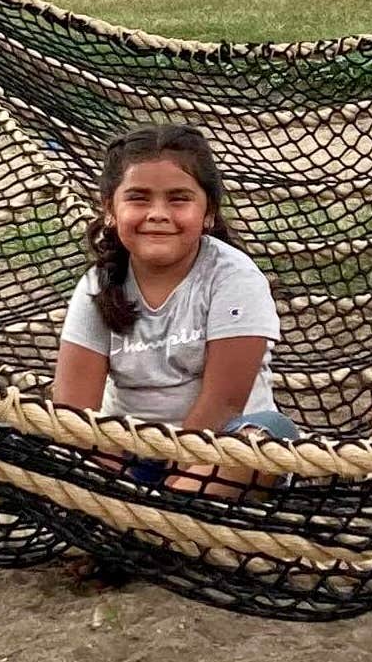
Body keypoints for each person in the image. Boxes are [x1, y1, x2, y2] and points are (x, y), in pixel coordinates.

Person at [53, 124, 299, 480]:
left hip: (216, 453)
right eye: (138, 198)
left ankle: (157, 512)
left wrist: (172, 487)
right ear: (110, 210)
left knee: (266, 439)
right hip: (128, 456)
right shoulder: (98, 285)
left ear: (208, 212)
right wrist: (115, 483)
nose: (158, 213)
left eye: (178, 199)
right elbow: (74, 411)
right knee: (14, 430)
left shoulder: (234, 278)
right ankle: (133, 508)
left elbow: (223, 403)